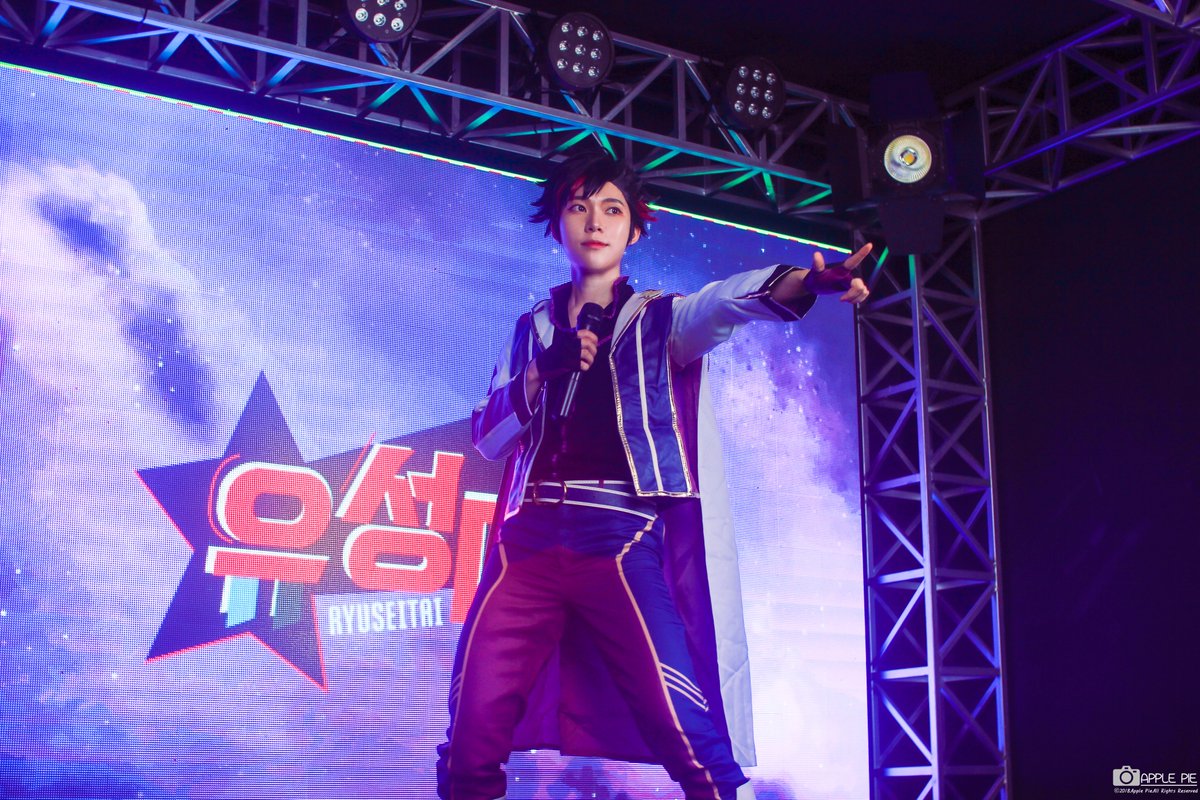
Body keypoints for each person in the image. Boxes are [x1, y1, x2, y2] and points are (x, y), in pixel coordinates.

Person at [436, 151, 871, 800]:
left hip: (618, 537)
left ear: (635, 230)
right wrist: (541, 371)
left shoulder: (661, 318)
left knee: (683, 726)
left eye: (612, 209)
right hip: (527, 544)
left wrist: (810, 282)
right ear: (557, 225)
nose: (595, 222)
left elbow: (729, 301)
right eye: (579, 207)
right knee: (471, 733)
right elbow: (490, 438)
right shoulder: (532, 329)